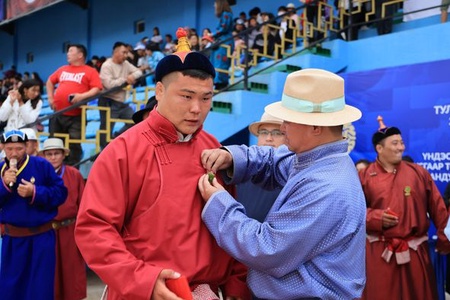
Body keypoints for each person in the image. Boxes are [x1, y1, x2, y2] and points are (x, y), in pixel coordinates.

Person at [75, 28, 250, 300]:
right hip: (144, 291)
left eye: (206, 98)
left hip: (206, 291)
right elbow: (94, 229)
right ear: (159, 90)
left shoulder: (213, 147)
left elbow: (230, 221)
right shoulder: (123, 150)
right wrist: (142, 280)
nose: (196, 108)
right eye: (186, 96)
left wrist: (237, 283)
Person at [198, 68, 366, 299]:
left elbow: (266, 249)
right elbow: (273, 163)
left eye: (288, 121)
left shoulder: (327, 186)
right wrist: (233, 157)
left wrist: (219, 204)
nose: (283, 127)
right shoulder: (317, 160)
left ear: (315, 127)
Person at [359, 116, 450, 300]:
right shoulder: (364, 176)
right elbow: (351, 212)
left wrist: (443, 240)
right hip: (379, 254)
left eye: (401, 142)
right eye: (395, 143)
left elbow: (439, 209)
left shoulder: (418, 173)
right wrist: (375, 218)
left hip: (415, 253)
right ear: (379, 148)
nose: (401, 147)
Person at [0, 129, 68, 299]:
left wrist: (35, 192)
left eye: (19, 148)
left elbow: (61, 193)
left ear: (27, 146)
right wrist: (4, 186)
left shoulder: (42, 165)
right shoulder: (1, 169)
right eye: (10, 149)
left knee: (40, 287)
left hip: (41, 237)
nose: (14, 153)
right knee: (11, 287)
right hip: (13, 239)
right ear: (3, 148)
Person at [39, 138, 87, 300]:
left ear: (63, 155)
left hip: (69, 230)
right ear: (43, 156)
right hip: (45, 231)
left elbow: (84, 204)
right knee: (49, 274)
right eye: (49, 154)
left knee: (71, 272)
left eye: (56, 153)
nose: (53, 157)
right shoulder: (39, 176)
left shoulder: (74, 175)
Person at [46, 44, 103, 166]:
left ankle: (73, 170)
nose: (68, 54)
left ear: (80, 55)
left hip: (76, 116)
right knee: (54, 143)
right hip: (58, 114)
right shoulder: (62, 69)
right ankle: (54, 170)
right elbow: (50, 81)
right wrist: (50, 98)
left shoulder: (90, 71)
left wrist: (81, 96)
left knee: (74, 144)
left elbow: (97, 88)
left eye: (71, 51)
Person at [237, 112, 285, 222]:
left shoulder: (293, 174)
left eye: (277, 133)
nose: (268, 138)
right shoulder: (242, 168)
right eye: (263, 132)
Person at [98, 41, 143, 149]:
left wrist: (131, 76)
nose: (126, 55)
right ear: (115, 52)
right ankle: (102, 152)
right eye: (124, 52)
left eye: (127, 53)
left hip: (121, 102)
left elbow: (138, 72)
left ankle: (116, 138)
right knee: (106, 128)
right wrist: (125, 80)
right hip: (108, 101)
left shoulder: (125, 64)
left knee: (136, 121)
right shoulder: (106, 65)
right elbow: (109, 85)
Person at [211, 0, 234, 90]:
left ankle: (221, 83)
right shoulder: (225, 15)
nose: (214, 5)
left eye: (215, 3)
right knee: (216, 62)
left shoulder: (226, 14)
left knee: (221, 63)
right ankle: (217, 82)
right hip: (221, 41)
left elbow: (223, 28)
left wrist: (212, 34)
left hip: (225, 41)